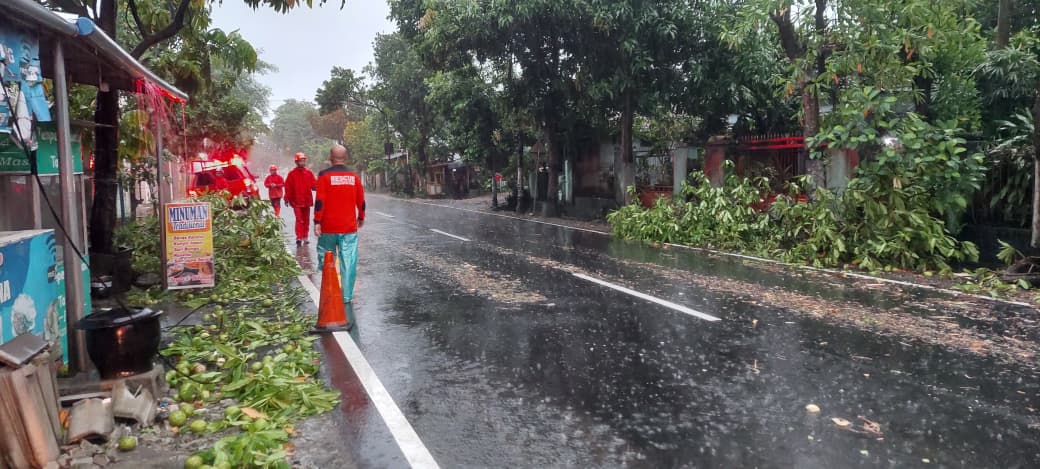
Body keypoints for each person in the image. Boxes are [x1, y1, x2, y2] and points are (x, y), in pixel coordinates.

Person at [314, 144, 366, 303]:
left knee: (327, 260)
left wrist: (317, 221)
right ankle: (346, 296)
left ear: (330, 157)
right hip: (348, 227)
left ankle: (330, 292)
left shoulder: (324, 176)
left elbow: (320, 201)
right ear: (346, 158)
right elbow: (361, 200)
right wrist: (361, 217)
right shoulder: (353, 176)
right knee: (348, 261)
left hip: (328, 228)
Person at [284, 152, 317, 245]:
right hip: (296, 201)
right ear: (296, 162)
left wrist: (322, 188)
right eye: (300, 161)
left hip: (307, 200)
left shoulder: (309, 173)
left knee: (306, 219)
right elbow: (288, 187)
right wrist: (286, 198)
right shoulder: (292, 174)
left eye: (303, 161)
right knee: (299, 219)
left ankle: (305, 237)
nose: (302, 162)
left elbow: (314, 185)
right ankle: (299, 237)